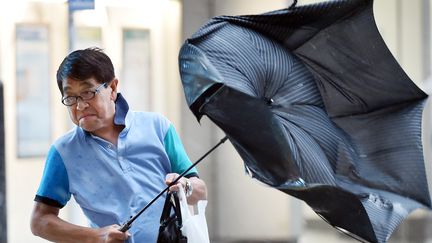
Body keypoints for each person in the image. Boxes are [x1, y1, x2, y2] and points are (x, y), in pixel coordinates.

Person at [30, 47, 207, 243]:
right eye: (71, 97)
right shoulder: (63, 152)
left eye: (88, 93)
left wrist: (185, 186)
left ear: (112, 88)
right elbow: (39, 221)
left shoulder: (158, 127)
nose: (80, 106)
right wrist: (97, 236)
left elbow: (200, 191)